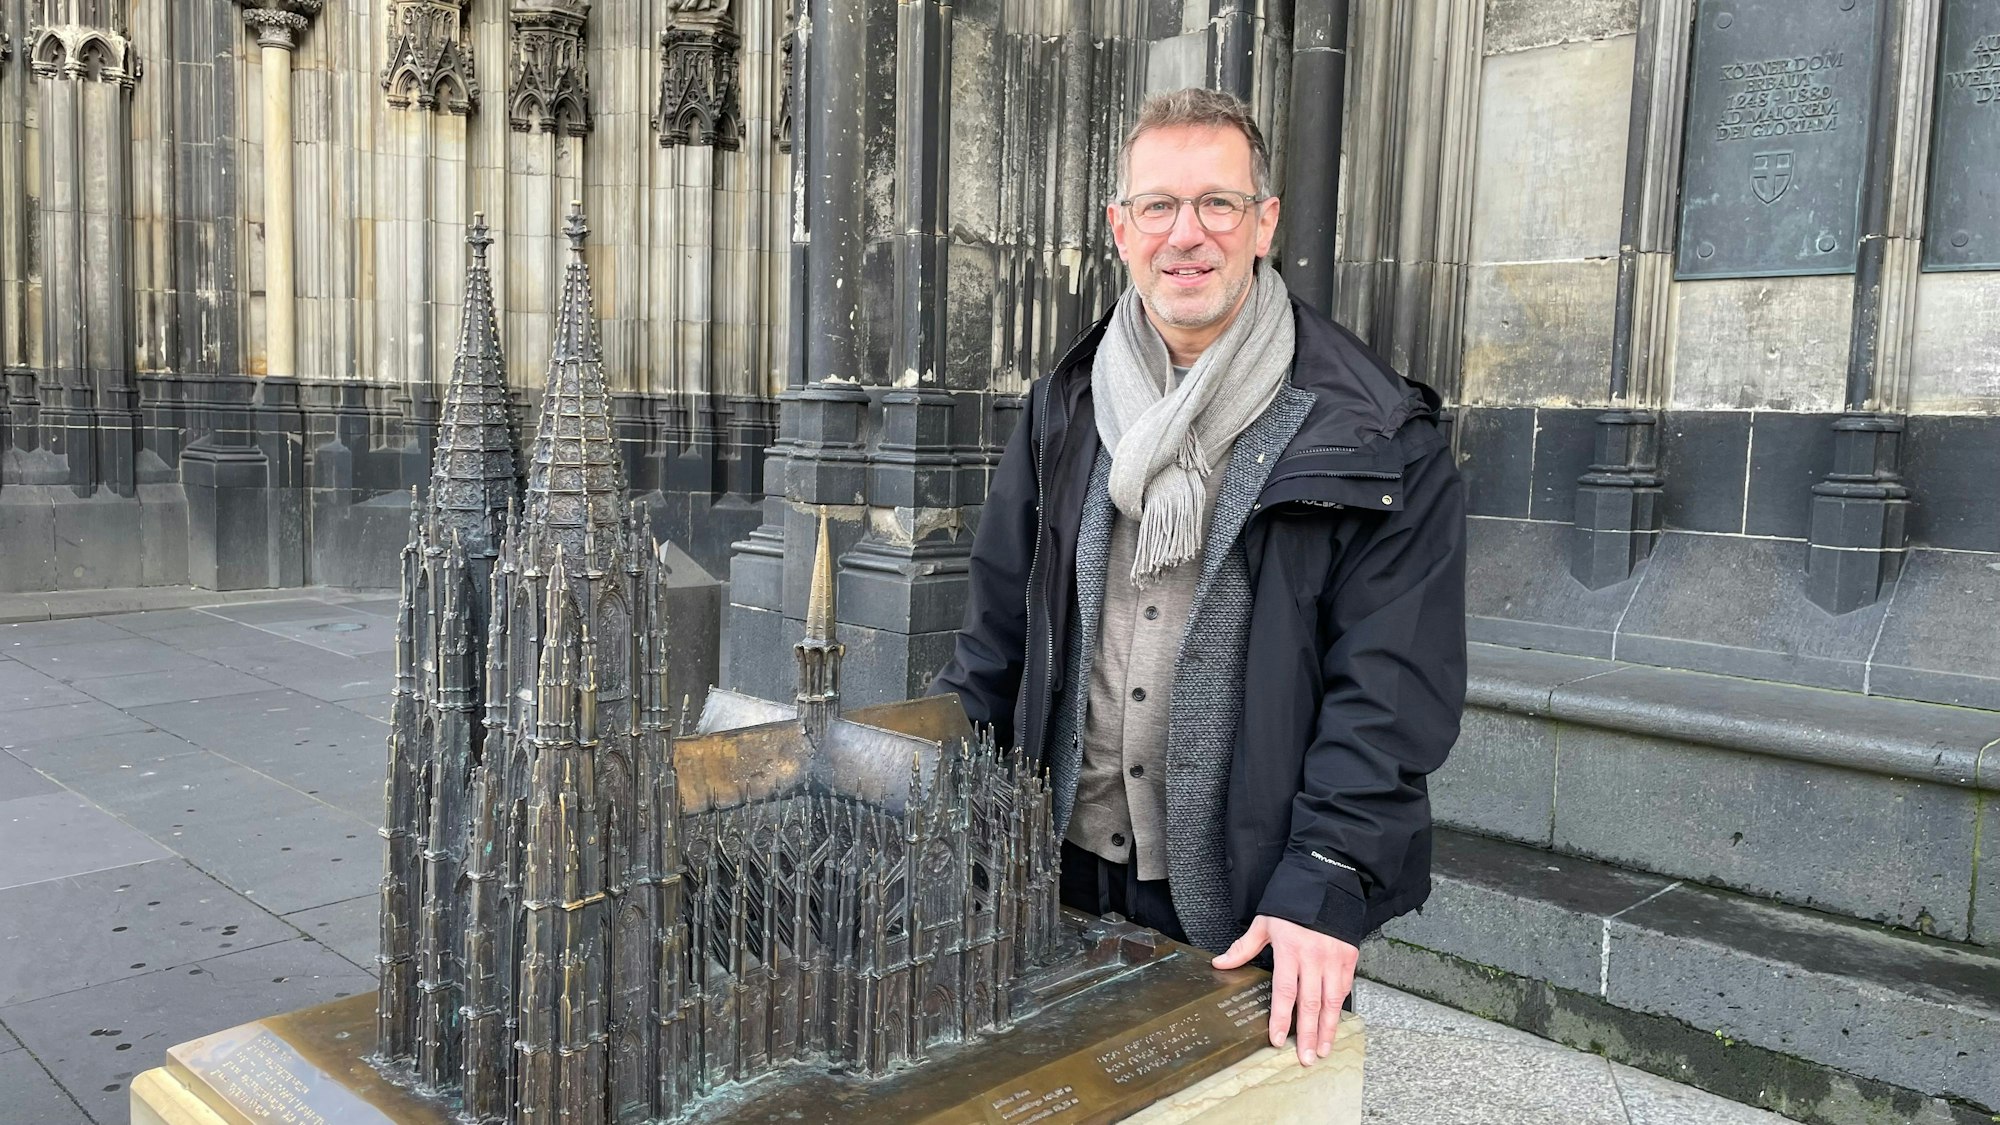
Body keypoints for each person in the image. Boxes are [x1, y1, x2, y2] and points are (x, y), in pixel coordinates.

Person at [930, 87, 1467, 1068]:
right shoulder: (1065, 408)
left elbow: (1388, 687)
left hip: (1247, 894)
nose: (1188, 234)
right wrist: (948, 812)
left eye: (1217, 203)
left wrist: (1325, 872)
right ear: (1118, 229)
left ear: (1263, 222)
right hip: (1057, 869)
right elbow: (996, 632)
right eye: (1158, 207)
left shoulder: (1375, 434)